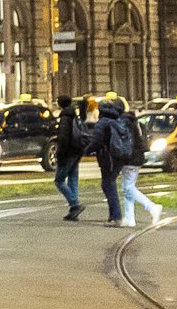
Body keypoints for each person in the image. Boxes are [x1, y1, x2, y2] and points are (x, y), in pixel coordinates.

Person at [82, 97, 132, 225]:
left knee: (108, 184)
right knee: (109, 183)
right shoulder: (117, 121)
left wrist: (87, 150)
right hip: (118, 156)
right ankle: (113, 216)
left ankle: (116, 217)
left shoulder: (102, 122)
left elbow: (97, 141)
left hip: (108, 157)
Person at [118, 103, 162, 228]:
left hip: (129, 158)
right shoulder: (138, 124)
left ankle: (152, 207)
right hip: (138, 158)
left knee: (129, 188)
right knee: (127, 188)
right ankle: (129, 218)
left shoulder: (126, 125)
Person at [53, 95, 86, 221]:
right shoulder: (74, 115)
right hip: (77, 150)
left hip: (68, 152)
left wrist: (60, 154)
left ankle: (75, 204)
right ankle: (74, 209)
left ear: (60, 104)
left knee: (59, 180)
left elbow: (63, 138)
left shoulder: (65, 118)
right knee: (72, 178)